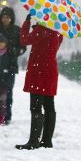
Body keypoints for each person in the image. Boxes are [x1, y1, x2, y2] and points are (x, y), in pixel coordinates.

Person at [15, 14, 63, 150]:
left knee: (36, 106)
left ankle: (33, 141)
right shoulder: (58, 33)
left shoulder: (41, 30)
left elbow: (23, 40)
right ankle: (47, 141)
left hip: (39, 72)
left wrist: (27, 22)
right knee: (49, 106)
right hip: (51, 72)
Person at [0, 7, 26, 124]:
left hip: (10, 66)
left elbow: (23, 47)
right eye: (4, 17)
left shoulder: (17, 31)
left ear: (11, 18)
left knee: (8, 92)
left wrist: (14, 51)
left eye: (8, 17)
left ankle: (6, 116)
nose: (5, 19)